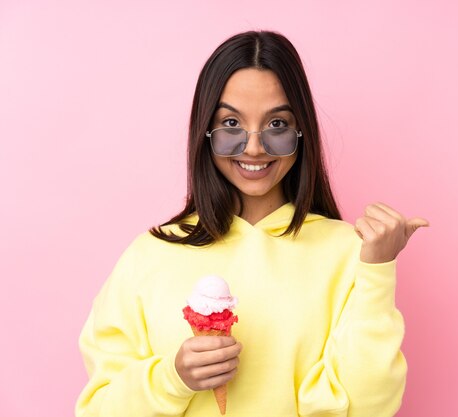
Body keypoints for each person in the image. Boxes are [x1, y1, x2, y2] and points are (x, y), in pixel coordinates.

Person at [76, 30, 428, 417]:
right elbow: (98, 408)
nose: (255, 147)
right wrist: (172, 379)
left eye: (277, 124)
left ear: (301, 131)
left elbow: (369, 407)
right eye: (231, 123)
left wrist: (377, 269)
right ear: (205, 131)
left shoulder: (347, 251)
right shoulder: (151, 254)